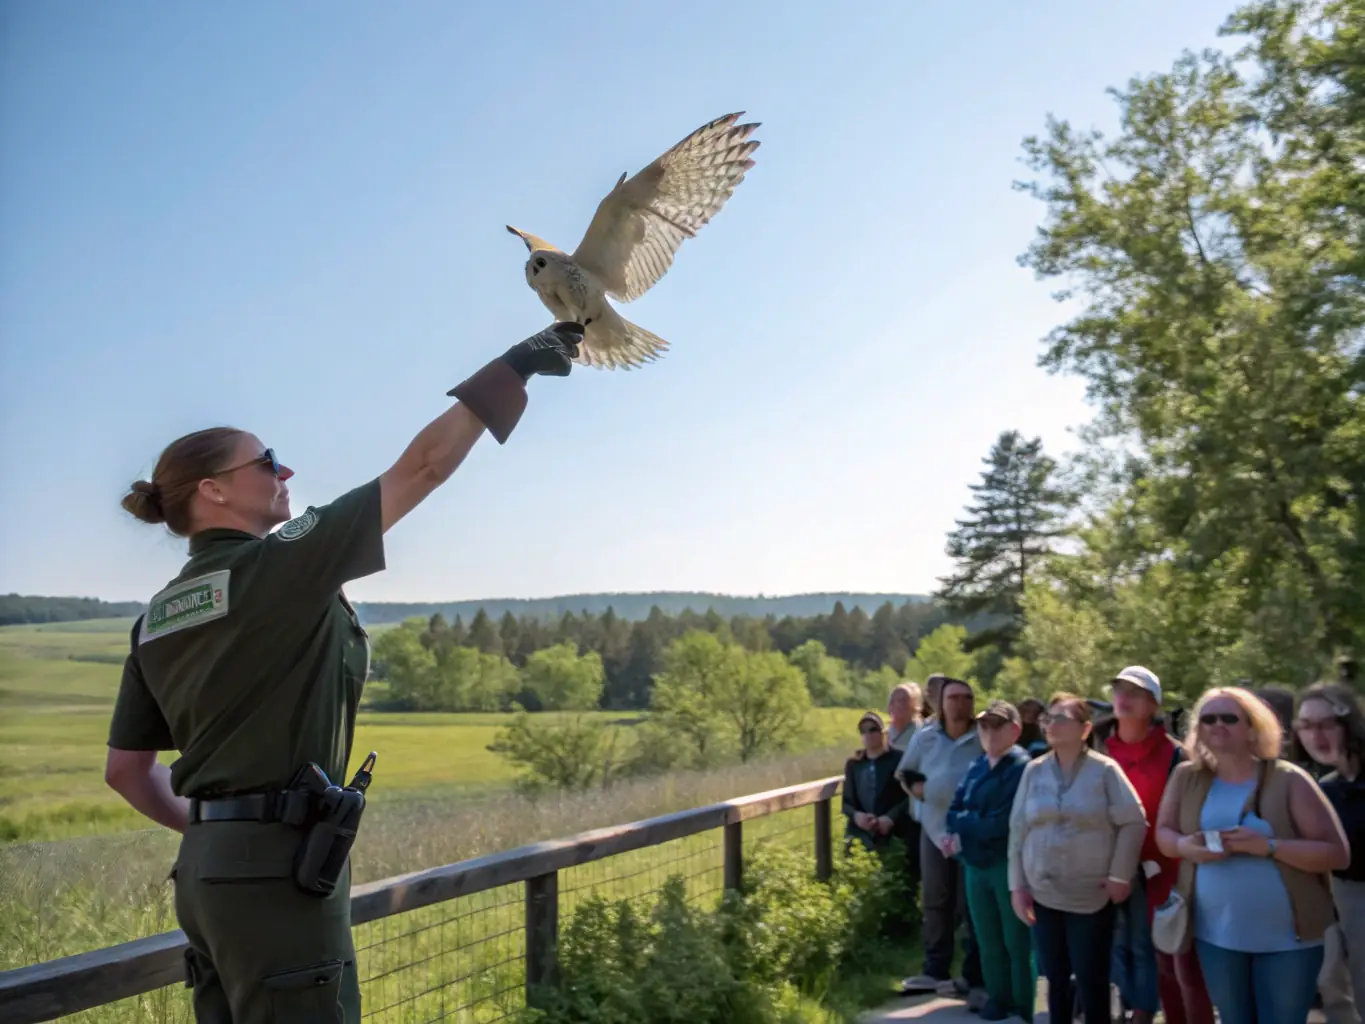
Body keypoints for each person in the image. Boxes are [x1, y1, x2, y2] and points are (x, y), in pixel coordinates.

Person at [102, 324, 584, 1023]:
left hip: (204, 878)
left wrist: (214, 837)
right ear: (212, 490)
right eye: (267, 462)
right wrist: (515, 367)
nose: (286, 473)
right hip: (278, 872)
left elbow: (125, 771)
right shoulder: (271, 567)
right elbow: (421, 467)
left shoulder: (155, 617)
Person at [1154, 686, 1349, 1024]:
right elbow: (1165, 834)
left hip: (1289, 941)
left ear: (1253, 727)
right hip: (1215, 936)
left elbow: (1336, 854)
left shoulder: (1289, 780)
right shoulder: (1187, 776)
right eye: (1207, 718)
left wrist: (1270, 847)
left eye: (1229, 718)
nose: (1217, 725)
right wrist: (1186, 847)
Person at [1008, 692, 1147, 1024]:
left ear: (1085, 729)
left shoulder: (1104, 771)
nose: (1051, 725)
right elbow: (1018, 830)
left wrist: (1119, 875)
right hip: (1043, 892)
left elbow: (1134, 820)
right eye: (1047, 719)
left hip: (1090, 896)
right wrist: (1017, 886)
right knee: (1055, 979)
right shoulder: (1034, 770)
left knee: (1091, 979)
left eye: (1060, 719)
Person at [1103, 666, 1214, 1024]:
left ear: (1154, 705)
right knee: (1115, 950)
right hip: (1108, 872)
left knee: (1170, 962)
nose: (1124, 697)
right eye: (1120, 689)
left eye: (1135, 692)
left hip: (1163, 874)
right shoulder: (1100, 751)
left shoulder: (1176, 757)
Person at [943, 700, 1035, 1022]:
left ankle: (1023, 1004)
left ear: (1015, 729)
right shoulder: (977, 765)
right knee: (987, 938)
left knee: (1016, 940)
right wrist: (964, 824)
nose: (990, 732)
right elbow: (954, 810)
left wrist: (967, 823)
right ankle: (999, 997)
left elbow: (1004, 822)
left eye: (998, 725)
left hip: (1006, 865)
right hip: (975, 864)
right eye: (984, 725)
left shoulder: (1022, 767)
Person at [896, 677, 986, 1005]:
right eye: (953, 698)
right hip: (934, 830)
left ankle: (975, 975)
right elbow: (905, 773)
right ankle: (936, 969)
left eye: (967, 697)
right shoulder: (925, 737)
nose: (960, 703)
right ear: (941, 703)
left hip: (972, 833)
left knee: (971, 904)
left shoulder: (982, 735)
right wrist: (918, 791)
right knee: (936, 900)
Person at [1294, 683, 1365, 1024]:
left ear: (1347, 724)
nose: (1315, 735)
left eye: (1324, 724)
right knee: (1329, 984)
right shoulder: (1324, 787)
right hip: (1334, 895)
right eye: (1306, 725)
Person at [842, 711, 912, 851]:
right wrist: (857, 816)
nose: (868, 734)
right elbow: (847, 803)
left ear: (883, 732)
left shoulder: (899, 759)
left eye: (873, 729)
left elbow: (909, 796)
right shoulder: (854, 764)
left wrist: (890, 818)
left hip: (894, 832)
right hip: (860, 834)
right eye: (863, 730)